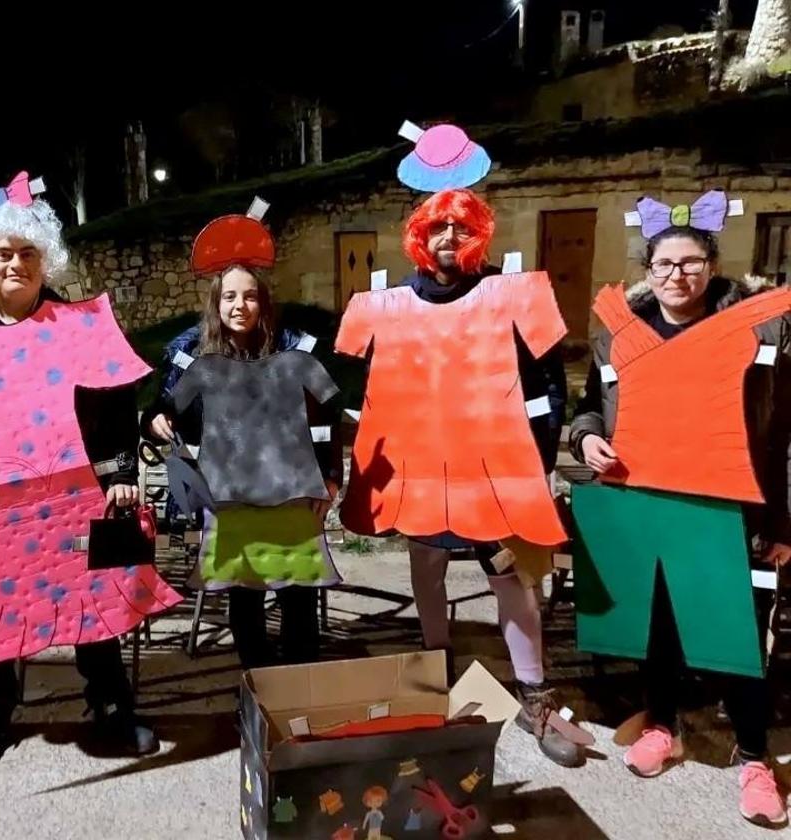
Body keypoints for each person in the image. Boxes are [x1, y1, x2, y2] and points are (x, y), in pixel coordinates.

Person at [0, 181, 168, 773]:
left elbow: (119, 397)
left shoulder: (79, 326)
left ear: (44, 257)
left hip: (79, 494)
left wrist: (122, 471)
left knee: (95, 602)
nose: (17, 264)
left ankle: (109, 704)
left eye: (28, 253)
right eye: (4, 253)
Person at [337, 187, 582, 767]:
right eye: (437, 228)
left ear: (480, 236)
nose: (449, 238)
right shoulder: (388, 303)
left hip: (493, 474)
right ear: (419, 236)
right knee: (427, 566)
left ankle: (532, 693)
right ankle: (433, 667)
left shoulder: (512, 294)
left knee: (511, 579)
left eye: (462, 228)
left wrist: (535, 463)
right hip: (421, 470)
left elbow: (550, 387)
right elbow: (353, 384)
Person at [569, 212, 791, 828]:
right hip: (643, 506)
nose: (677, 273)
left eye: (691, 262)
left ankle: (753, 756)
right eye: (664, 263)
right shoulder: (620, 336)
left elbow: (781, 433)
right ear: (649, 271)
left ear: (712, 267)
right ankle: (662, 726)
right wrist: (587, 441)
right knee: (657, 627)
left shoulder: (758, 333)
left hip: (728, 510)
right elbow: (590, 409)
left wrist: (782, 524)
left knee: (738, 638)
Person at [143, 207, 342, 670]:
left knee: (298, 592)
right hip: (229, 498)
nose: (239, 305)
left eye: (249, 296)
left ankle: (297, 687)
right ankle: (256, 683)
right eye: (229, 296)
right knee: (244, 595)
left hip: (292, 494)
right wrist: (155, 421)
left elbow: (327, 414)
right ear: (216, 302)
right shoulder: (191, 354)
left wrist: (330, 476)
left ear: (263, 302)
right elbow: (160, 408)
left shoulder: (294, 348)